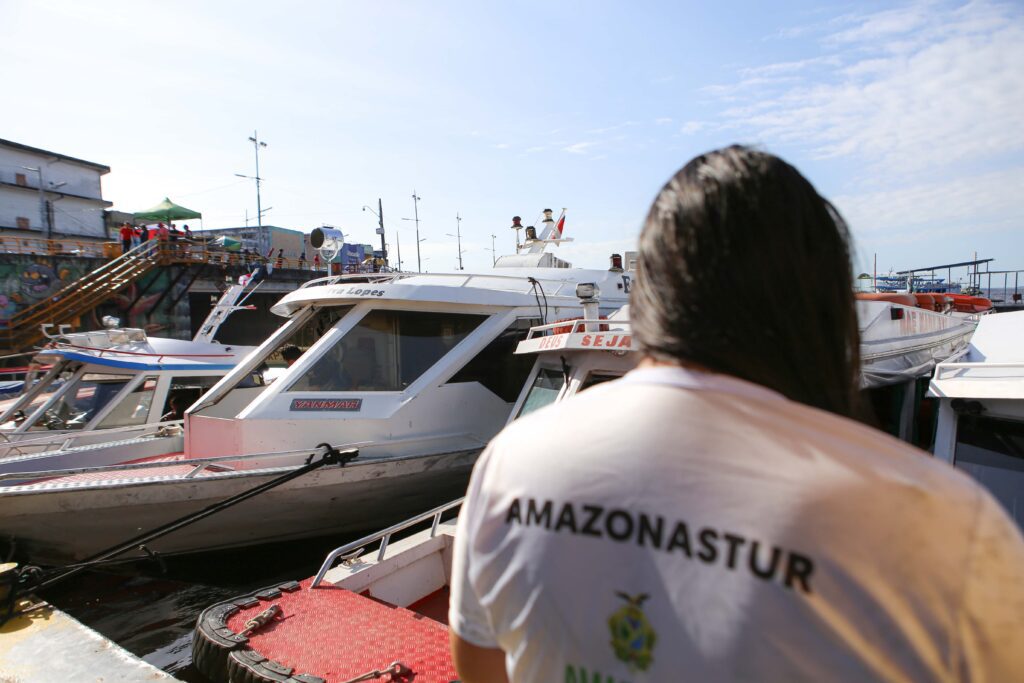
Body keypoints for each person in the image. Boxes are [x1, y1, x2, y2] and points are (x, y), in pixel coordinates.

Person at [449, 146, 1024, 683]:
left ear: (647, 295)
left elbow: (481, 665)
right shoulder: (943, 525)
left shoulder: (512, 462)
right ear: (822, 312)